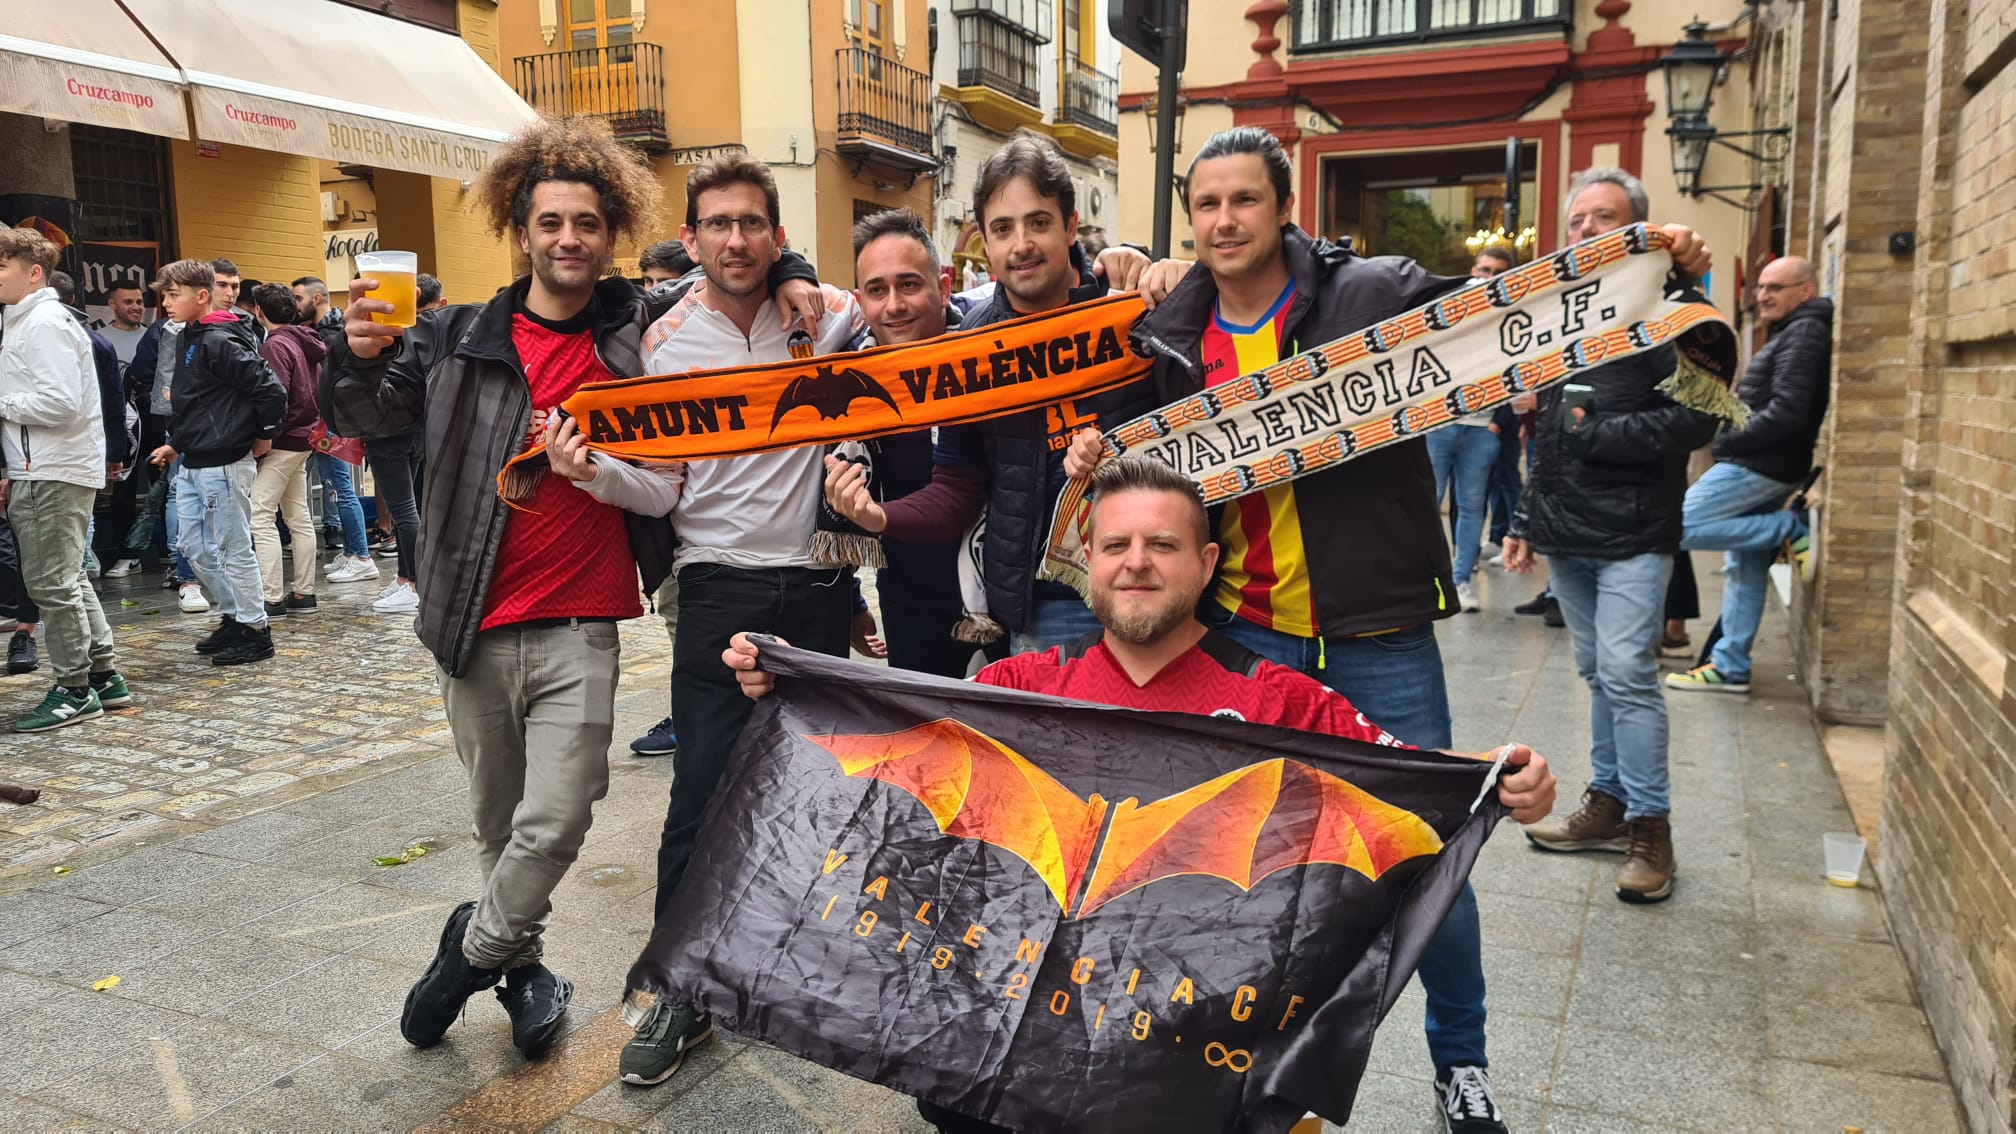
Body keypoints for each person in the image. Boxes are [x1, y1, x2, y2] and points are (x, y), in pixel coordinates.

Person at [1063, 130, 1712, 1130]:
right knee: (1268, 863)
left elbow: (1519, 314)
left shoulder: (1372, 292)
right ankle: (1258, 1059)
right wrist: (1098, 446)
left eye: (1244, 200)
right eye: (1207, 205)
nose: (1225, 221)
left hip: (1381, 632)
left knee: (1430, 855)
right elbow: (1133, 450)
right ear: (1190, 219)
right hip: (1251, 629)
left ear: (1283, 208)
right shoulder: (1171, 327)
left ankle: (1462, 1066)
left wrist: (1642, 264)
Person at [723, 455, 1559, 1134]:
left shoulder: (1278, 703)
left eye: (1162, 546)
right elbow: (890, 720)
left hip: (1182, 1033)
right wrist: (787, 679)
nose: (1136, 564)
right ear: (1086, 562)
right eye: (1117, 545)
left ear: (1205, 565)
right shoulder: (1022, 686)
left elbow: (1404, 775)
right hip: (1030, 1016)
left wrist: (1500, 772)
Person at [321, 116, 824, 1062]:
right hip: (471, 618)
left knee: (558, 815)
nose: (568, 240)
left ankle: (465, 955)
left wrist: (792, 269)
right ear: (520, 228)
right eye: (549, 222)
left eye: (587, 223)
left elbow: (734, 264)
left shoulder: (639, 327)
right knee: (499, 825)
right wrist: (353, 354)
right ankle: (521, 972)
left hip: (583, 618)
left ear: (611, 233)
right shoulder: (454, 336)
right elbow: (363, 415)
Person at [618, 151, 868, 1086]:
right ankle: (678, 989)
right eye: (717, 224)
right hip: (716, 584)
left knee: (823, 791)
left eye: (752, 224)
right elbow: (656, 485)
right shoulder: (663, 340)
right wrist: (587, 471)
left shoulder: (831, 315)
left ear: (777, 235)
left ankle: (799, 964)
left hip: (819, 581)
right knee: (705, 789)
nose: (735, 239)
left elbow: (936, 332)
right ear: (692, 238)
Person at [820, 136, 1162, 654]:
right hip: (1041, 605)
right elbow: (958, 487)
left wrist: (1178, 275)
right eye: (1003, 228)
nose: (1021, 244)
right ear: (986, 240)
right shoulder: (972, 348)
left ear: (1070, 225)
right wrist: (877, 518)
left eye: (1038, 223)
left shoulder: (1136, 312)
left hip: (1153, 587)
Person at [1505, 167, 1721, 905]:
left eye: (1605, 218)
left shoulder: (1672, 305)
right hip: (1568, 533)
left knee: (1628, 675)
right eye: (1577, 220)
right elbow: (1547, 435)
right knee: (1600, 674)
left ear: (1636, 227)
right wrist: (1525, 522)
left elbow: (1700, 417)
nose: (1587, 231)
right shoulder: (1561, 313)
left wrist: (1599, 435)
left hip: (1634, 531)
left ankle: (1651, 828)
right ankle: (1608, 803)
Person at [1668, 255, 1830, 693]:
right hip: (1767, 462)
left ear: (1806, 291)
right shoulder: (1792, 332)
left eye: (1776, 287)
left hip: (1758, 464)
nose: (1763, 296)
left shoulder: (1806, 332)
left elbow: (1789, 411)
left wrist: (1729, 440)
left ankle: (1783, 528)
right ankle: (1731, 665)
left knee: (1671, 526)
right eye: (1761, 287)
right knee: (1744, 568)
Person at [0, 229, 132, 729]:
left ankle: (72, 689)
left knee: (51, 583)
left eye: (1, 267)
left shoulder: (44, 322)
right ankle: (102, 677)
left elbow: (59, 403)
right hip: (46, 466)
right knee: (69, 576)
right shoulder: (31, 320)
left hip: (51, 468)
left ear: (33, 272)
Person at [840, 208, 973, 678]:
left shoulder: (990, 348)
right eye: (878, 290)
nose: (894, 305)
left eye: (909, 284)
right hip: (908, 595)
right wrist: (854, 601)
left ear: (944, 286)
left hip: (1006, 592)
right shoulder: (849, 384)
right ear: (860, 301)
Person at [146, 258, 286, 666]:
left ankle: (256, 629)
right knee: (193, 545)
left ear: (201, 296)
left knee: (233, 546)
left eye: (174, 295)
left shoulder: (218, 339)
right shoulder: (190, 335)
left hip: (224, 461)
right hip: (195, 458)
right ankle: (236, 617)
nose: (167, 303)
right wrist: (178, 444)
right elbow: (202, 402)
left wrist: (263, 435)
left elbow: (269, 389)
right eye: (166, 295)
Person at [247, 283, 323, 619]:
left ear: (259, 312)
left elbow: (275, 396)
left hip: (284, 439)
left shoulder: (275, 345)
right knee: (297, 513)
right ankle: (304, 592)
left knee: (260, 514)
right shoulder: (306, 341)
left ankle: (271, 596)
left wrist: (266, 436)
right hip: (306, 436)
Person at [99, 283, 149, 368]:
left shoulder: (155, 337)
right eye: (128, 302)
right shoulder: (98, 340)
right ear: (112, 304)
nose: (136, 307)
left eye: (139, 302)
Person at [292, 276, 344, 348]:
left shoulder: (331, 337)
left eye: (299, 299)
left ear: (316, 299)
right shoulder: (314, 330)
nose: (295, 304)